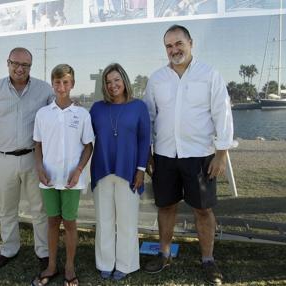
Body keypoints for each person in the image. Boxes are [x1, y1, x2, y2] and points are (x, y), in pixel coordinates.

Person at [142, 25, 233, 285]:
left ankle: (208, 260)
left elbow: (222, 115)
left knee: (203, 210)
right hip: (164, 156)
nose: (174, 50)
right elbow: (149, 117)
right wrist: (148, 153)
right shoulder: (157, 79)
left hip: (200, 156)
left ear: (190, 43)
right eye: (169, 46)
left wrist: (221, 153)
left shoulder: (209, 75)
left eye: (178, 43)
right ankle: (164, 254)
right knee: (166, 206)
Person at [0, 47, 54, 269]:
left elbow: (53, 119)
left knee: (39, 209)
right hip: (3, 159)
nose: (20, 68)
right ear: (7, 62)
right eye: (15, 63)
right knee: (7, 208)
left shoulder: (44, 89)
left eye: (25, 65)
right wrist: (4, 133)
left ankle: (43, 252)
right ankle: (9, 249)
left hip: (33, 157)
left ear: (31, 66)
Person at [31, 64, 94, 286]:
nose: (61, 86)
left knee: (69, 223)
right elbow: (37, 144)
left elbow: (88, 146)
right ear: (52, 83)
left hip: (70, 180)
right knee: (51, 221)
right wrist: (39, 168)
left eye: (66, 82)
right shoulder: (43, 113)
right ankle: (51, 266)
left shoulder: (82, 114)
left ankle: (69, 266)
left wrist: (78, 171)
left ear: (72, 84)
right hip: (48, 178)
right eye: (57, 82)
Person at [89, 63, 151, 281]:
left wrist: (141, 169)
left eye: (116, 80)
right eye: (108, 82)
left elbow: (145, 140)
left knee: (127, 221)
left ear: (124, 80)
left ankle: (126, 264)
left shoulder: (139, 107)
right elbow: (85, 139)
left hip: (129, 171)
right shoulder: (96, 108)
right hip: (101, 170)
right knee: (104, 220)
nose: (113, 85)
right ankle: (105, 262)